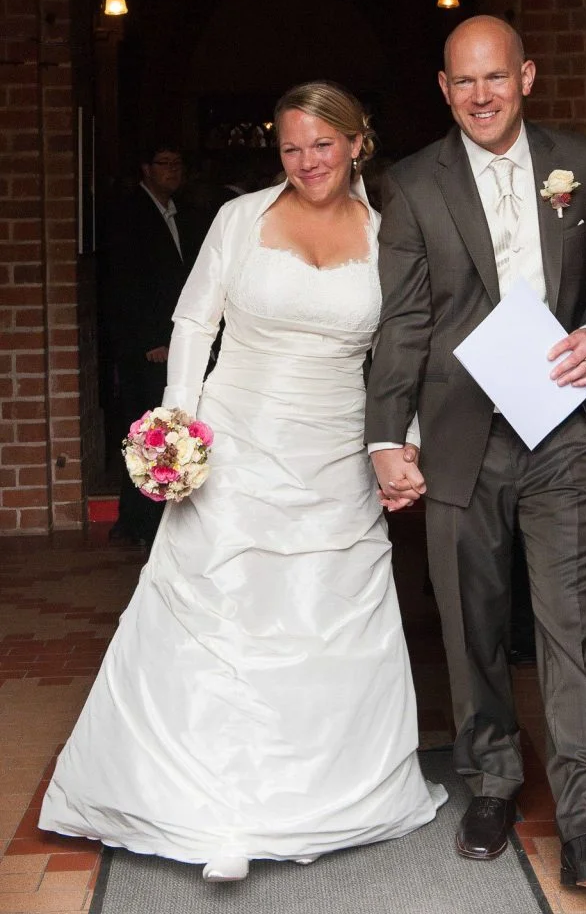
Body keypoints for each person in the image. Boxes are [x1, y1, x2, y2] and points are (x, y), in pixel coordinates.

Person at [39, 81, 446, 882]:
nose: (307, 162)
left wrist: (403, 443)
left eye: (323, 145)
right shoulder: (239, 218)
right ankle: (215, 806)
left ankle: (325, 793)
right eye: (291, 147)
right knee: (223, 612)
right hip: (238, 438)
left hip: (335, 446)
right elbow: (196, 322)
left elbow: (401, 352)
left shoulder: (391, 232)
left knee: (327, 614)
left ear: (358, 142)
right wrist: (176, 428)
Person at [365, 16, 586, 890]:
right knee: (472, 625)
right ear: (443, 91)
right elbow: (405, 320)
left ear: (526, 75)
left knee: (573, 629)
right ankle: (489, 780)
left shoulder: (583, 161)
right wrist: (385, 435)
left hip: (562, 430)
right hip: (460, 436)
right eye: (463, 82)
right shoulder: (410, 185)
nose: (481, 95)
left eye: (496, 77)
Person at [105, 142, 207, 546]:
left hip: (174, 339)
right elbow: (125, 281)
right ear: (145, 168)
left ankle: (150, 520)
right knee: (147, 431)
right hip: (148, 345)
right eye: (164, 163)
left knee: (164, 427)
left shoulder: (179, 212)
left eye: (178, 163)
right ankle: (140, 523)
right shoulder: (129, 214)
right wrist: (149, 338)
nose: (173, 170)